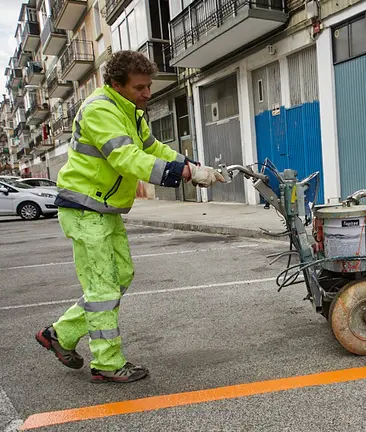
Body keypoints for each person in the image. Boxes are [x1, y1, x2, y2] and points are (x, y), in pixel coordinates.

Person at [35, 50, 224, 383]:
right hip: (84, 209)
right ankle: (107, 364)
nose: (147, 94)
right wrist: (180, 174)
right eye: (140, 88)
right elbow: (126, 158)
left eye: (149, 86)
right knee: (103, 289)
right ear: (116, 84)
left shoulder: (131, 111)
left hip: (104, 210)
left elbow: (152, 148)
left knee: (120, 276)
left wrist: (192, 166)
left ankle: (59, 335)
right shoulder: (99, 111)